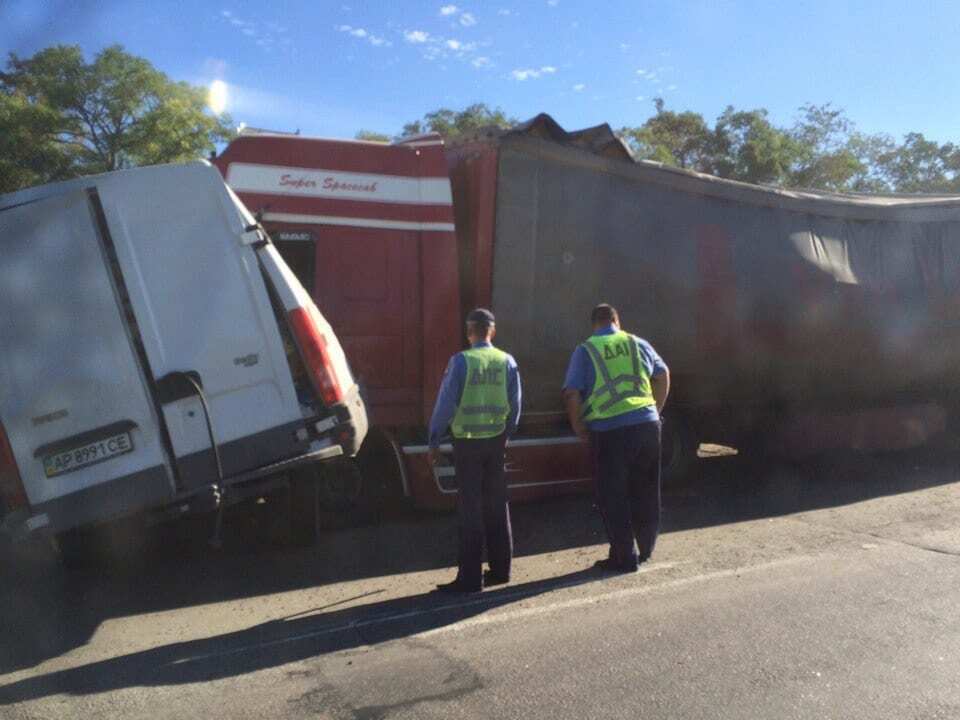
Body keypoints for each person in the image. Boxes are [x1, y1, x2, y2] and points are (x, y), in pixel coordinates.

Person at [562, 303, 670, 573]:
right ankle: (646, 549)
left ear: (594, 324)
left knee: (613, 495)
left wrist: (578, 426)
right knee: (645, 489)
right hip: (646, 426)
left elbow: (572, 393)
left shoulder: (585, 350)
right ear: (616, 320)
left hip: (609, 432)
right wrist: (655, 410)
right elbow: (663, 374)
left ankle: (624, 557)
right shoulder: (636, 342)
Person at [428, 308, 522, 593]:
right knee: (497, 504)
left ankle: (470, 578)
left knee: (470, 509)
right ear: (491, 332)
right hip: (495, 442)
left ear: (469, 332)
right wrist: (506, 434)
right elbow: (515, 406)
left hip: (467, 443)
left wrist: (433, 440)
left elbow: (444, 405)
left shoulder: (460, 362)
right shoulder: (507, 361)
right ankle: (501, 571)